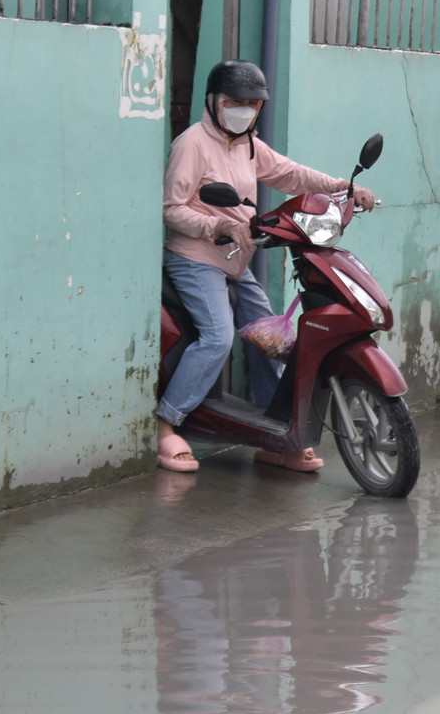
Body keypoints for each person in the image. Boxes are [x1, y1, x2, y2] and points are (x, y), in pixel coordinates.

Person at [157, 60, 377, 473]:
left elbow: (291, 175)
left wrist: (344, 189)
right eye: (234, 102)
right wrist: (216, 224)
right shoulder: (192, 144)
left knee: (272, 338)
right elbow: (171, 209)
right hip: (195, 259)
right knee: (218, 337)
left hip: (236, 263)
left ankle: (275, 436)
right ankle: (167, 424)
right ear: (213, 102)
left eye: (251, 104)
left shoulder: (249, 146)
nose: (243, 110)